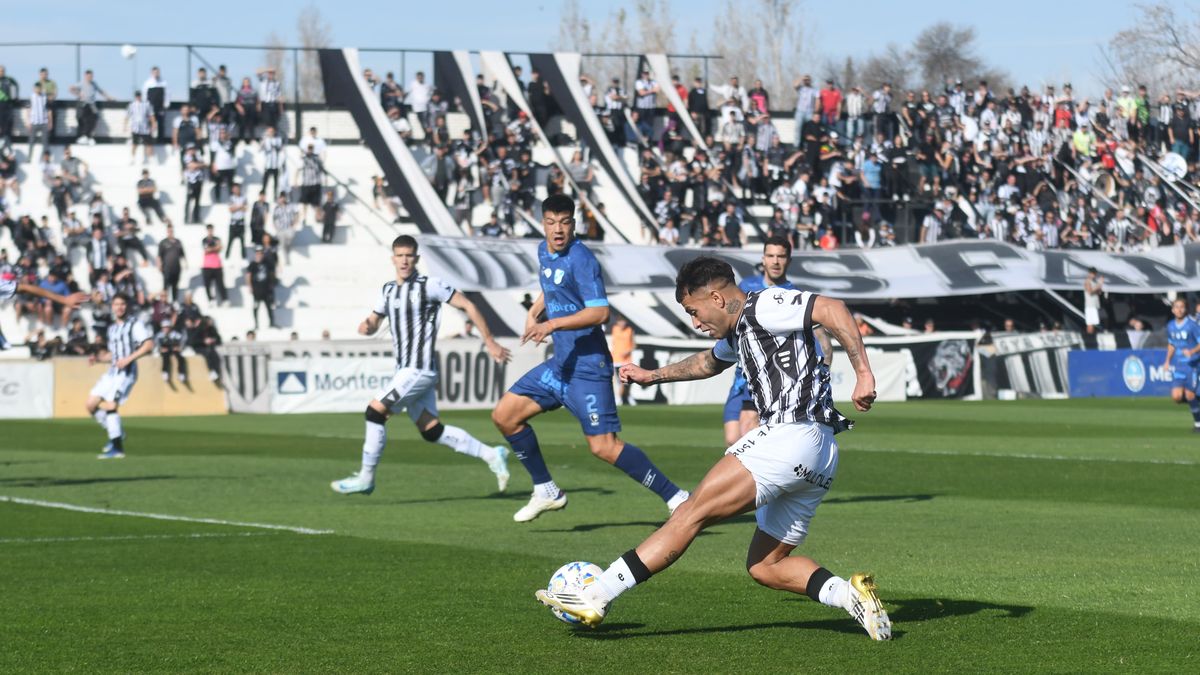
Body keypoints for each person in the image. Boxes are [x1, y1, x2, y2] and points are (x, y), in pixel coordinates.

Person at [535, 256, 891, 642]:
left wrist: (863, 373)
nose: (695, 322)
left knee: (689, 513)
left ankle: (597, 594)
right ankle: (851, 595)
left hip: (790, 435)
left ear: (717, 298)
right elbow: (707, 362)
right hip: (821, 455)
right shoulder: (741, 331)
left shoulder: (764, 305)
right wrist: (652, 376)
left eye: (694, 311)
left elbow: (831, 308)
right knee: (765, 564)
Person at [490, 195, 690, 522]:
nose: (558, 230)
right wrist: (534, 312)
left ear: (574, 223)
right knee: (505, 416)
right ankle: (546, 490)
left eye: (564, 222)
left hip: (587, 367)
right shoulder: (543, 250)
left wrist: (551, 324)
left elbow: (600, 312)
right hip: (560, 365)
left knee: (603, 447)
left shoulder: (582, 259)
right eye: (551, 223)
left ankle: (677, 498)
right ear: (543, 224)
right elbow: (551, 285)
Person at [331, 235, 514, 495]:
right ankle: (492, 454)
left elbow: (468, 305)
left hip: (418, 369)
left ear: (416, 258)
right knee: (431, 431)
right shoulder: (388, 290)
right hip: (406, 371)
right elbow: (373, 321)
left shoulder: (431, 286)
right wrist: (367, 327)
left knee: (374, 413)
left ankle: (366, 478)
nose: (404, 261)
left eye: (409, 255)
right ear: (393, 259)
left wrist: (490, 341)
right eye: (400, 256)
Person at [722, 236, 795, 445]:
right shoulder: (747, 286)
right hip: (741, 376)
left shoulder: (793, 294)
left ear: (788, 260)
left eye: (781, 256)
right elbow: (730, 315)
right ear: (763, 259)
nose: (775, 261)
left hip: (767, 375)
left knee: (750, 440)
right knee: (732, 438)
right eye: (770, 256)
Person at [85, 294, 155, 460]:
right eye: (116, 304)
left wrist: (129, 359)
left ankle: (117, 448)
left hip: (127, 372)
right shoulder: (112, 328)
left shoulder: (135, 325)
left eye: (123, 304)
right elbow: (115, 355)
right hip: (112, 373)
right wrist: (99, 359)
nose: (119, 307)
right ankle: (117, 433)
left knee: (111, 405)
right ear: (112, 307)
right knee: (90, 405)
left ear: (127, 306)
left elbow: (149, 345)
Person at [1163, 298, 1200, 432]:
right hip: (1178, 365)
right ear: (1172, 310)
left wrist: (1192, 351)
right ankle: (1196, 399)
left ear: (1186, 309)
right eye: (1176, 307)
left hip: (1192, 366)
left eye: (1182, 307)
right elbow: (1171, 344)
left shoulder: (1192, 325)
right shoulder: (1170, 325)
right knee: (1176, 397)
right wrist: (1167, 361)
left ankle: (1198, 424)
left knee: (1189, 394)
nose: (1179, 310)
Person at [610, 316, 635, 405]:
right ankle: (620, 397)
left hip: (626, 360)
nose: (622, 324)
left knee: (626, 379)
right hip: (616, 359)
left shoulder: (629, 330)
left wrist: (627, 351)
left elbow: (633, 344)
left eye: (623, 321)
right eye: (620, 321)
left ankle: (624, 396)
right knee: (618, 380)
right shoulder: (614, 329)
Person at [1083, 268, 1103, 333]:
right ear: (1089, 273)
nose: (1094, 275)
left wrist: (1100, 285)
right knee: (1090, 323)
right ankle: (1089, 337)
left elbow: (1099, 292)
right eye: (1092, 273)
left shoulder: (1094, 281)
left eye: (1095, 273)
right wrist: (1098, 284)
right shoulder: (1087, 281)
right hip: (1090, 305)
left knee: (1094, 323)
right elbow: (1090, 292)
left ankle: (1091, 335)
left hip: (1095, 304)